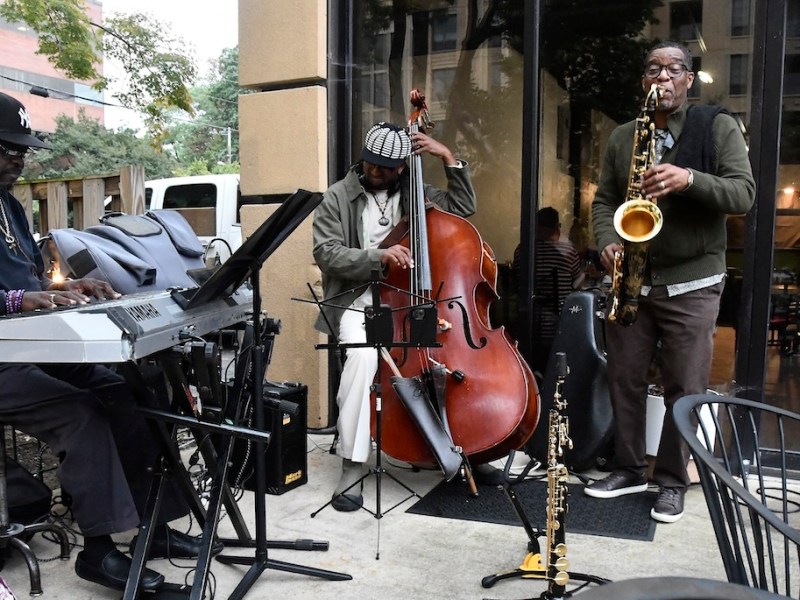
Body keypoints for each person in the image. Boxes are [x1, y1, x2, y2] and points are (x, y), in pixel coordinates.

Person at [0, 92, 220, 591]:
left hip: (33, 345)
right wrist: (16, 302)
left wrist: (66, 287)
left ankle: (155, 529)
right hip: (2, 361)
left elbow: (30, 281)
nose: (18, 157)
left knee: (128, 390)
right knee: (82, 412)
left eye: (23, 149)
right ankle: (97, 553)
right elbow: (14, 296)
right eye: (6, 147)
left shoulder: (10, 208)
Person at [586, 42, 755, 523]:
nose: (663, 77)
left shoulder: (716, 126)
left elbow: (743, 193)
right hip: (632, 279)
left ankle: (672, 482)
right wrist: (605, 241)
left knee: (685, 385)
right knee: (624, 379)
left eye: (674, 69)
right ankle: (628, 467)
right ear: (645, 82)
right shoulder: (624, 137)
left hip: (693, 280)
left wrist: (688, 179)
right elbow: (604, 201)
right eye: (654, 69)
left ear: (688, 79)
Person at [313, 121, 486, 511]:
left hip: (411, 302)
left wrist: (448, 157)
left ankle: (469, 450)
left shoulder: (414, 191)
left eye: (386, 168)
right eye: (371, 165)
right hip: (360, 301)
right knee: (361, 358)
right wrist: (378, 258)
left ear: (403, 168)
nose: (376, 173)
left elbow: (463, 208)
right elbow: (326, 252)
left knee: (449, 362)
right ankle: (354, 463)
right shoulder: (338, 197)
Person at [512, 207, 583, 374]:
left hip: (528, 322)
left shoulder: (522, 250)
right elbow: (577, 284)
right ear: (556, 227)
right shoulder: (568, 250)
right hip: (558, 324)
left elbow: (517, 281)